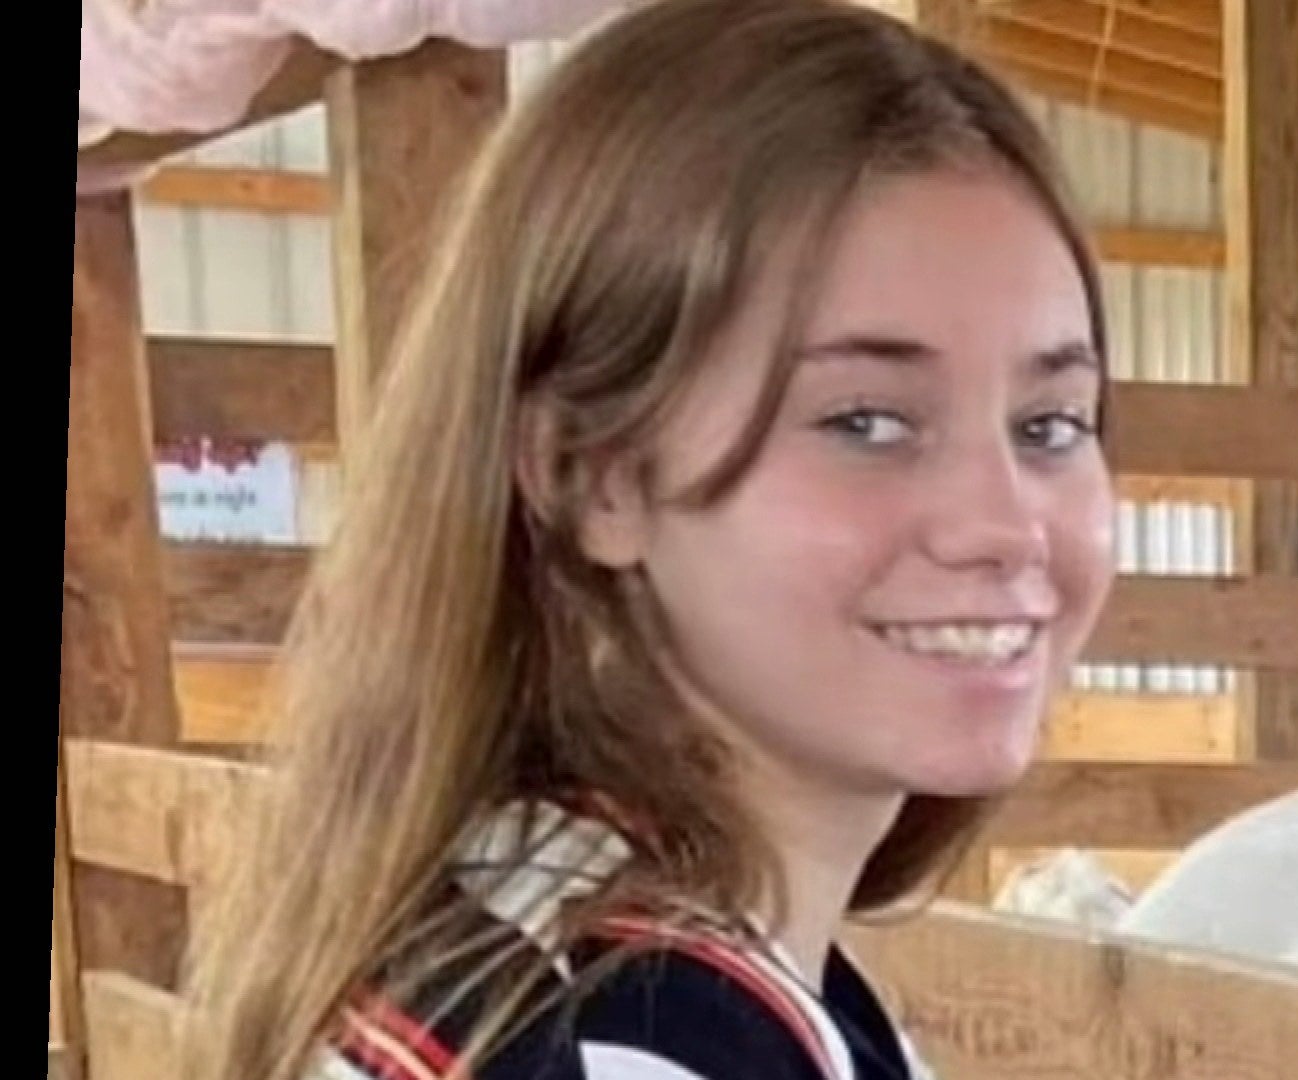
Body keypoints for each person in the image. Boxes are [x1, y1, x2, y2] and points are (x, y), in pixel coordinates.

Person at [182, 1, 1117, 1076]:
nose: (1004, 527)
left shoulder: (536, 934)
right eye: (865, 422)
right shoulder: (630, 1038)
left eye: (1051, 425)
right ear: (596, 476)